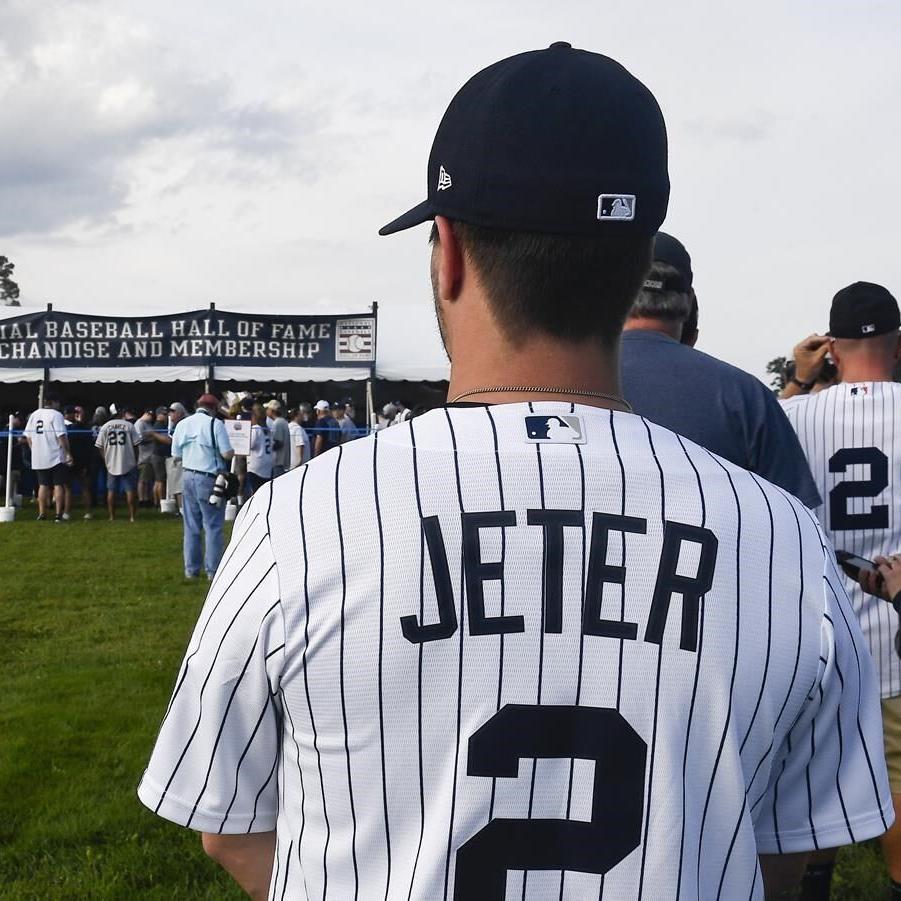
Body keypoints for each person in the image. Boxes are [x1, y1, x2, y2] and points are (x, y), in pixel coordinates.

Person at [138, 44, 890, 901]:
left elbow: (226, 822)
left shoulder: (301, 518)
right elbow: (788, 856)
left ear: (448, 251)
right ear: (634, 270)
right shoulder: (785, 541)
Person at [780, 282, 901, 899]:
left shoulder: (795, 412)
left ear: (831, 346)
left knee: (817, 779)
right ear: (897, 342)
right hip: (896, 633)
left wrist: (800, 381)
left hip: (818, 635)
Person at [619, 232, 821, 508]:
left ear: (614, 293)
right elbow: (800, 524)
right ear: (688, 302)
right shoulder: (744, 395)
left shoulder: (566, 384)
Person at [171, 394, 233, 579]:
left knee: (191, 526)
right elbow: (227, 453)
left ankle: (191, 570)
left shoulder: (182, 424)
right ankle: (213, 571)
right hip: (209, 477)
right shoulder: (216, 425)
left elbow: (176, 454)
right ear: (214, 408)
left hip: (188, 475)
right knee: (213, 525)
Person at [23, 395, 73, 522]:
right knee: (58, 485)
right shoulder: (56, 415)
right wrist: (68, 453)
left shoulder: (34, 414)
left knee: (43, 485)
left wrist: (34, 449)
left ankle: (42, 513)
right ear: (54, 402)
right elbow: (61, 436)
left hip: (39, 455)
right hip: (55, 454)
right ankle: (57, 514)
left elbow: (28, 436)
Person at [94, 408, 141, 522]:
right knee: (130, 490)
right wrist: (135, 459)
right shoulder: (129, 426)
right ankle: (132, 516)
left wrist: (106, 458)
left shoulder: (105, 426)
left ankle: (112, 516)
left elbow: (99, 446)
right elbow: (136, 445)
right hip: (128, 461)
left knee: (111, 490)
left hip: (111, 462)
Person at [245, 403, 273, 496]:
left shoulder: (255, 429)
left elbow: (249, 445)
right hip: (267, 467)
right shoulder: (267, 429)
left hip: (256, 467)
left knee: (255, 495)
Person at [265, 399, 291, 477]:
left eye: (268, 409)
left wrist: (267, 445)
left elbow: (278, 442)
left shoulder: (278, 423)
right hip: (282, 462)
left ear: (272, 410)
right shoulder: (283, 421)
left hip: (278, 462)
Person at [151, 406, 169, 507]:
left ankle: (157, 502)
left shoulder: (162, 425)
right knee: (160, 481)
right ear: (159, 415)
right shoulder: (158, 425)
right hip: (159, 455)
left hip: (159, 455)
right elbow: (165, 440)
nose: (167, 416)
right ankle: (161, 503)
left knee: (158, 480)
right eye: (165, 414)